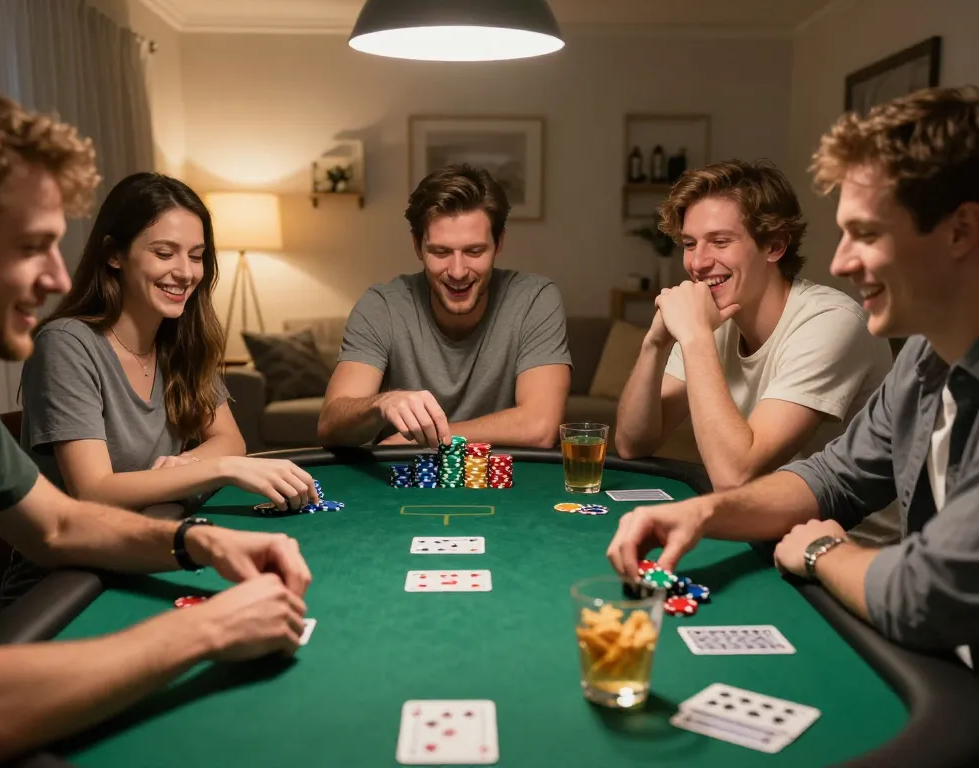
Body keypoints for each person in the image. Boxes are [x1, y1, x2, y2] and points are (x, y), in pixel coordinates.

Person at [0, 88, 311, 766]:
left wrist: (195, 541)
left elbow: (59, 523)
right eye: (33, 246)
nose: (58, 274)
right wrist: (209, 628)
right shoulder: (67, 342)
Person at [607, 86, 979, 660]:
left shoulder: (834, 319)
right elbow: (834, 477)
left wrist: (821, 551)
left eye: (868, 233)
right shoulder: (923, 361)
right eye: (689, 244)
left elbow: (923, 593)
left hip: (883, 602)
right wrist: (700, 512)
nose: (841, 261)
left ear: (960, 231)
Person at [0, 172, 319, 605]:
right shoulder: (66, 344)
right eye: (164, 252)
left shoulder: (182, 338)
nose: (185, 273)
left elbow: (229, 439)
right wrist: (216, 469)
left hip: (146, 552)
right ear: (115, 254)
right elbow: (93, 491)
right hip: (64, 586)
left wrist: (188, 463)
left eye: (197, 255)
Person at [615, 160, 892, 497]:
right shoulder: (714, 319)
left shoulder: (831, 321)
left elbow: (734, 474)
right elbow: (634, 444)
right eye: (690, 244)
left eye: (720, 242)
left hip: (852, 542)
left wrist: (695, 337)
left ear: (774, 246)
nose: (698, 263)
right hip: (762, 524)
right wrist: (654, 344)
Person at [317, 164, 572, 450]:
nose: (458, 271)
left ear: (498, 244)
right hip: (402, 486)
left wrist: (425, 436)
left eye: (474, 251)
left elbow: (540, 427)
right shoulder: (381, 306)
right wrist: (382, 403)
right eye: (441, 252)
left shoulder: (535, 299)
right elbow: (330, 428)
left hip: (504, 486)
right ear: (417, 246)